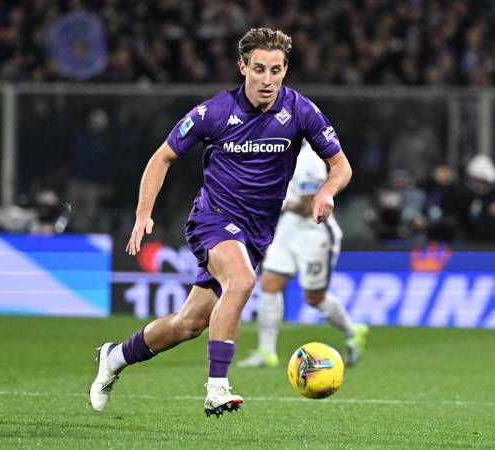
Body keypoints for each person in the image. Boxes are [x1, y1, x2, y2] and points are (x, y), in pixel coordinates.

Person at [89, 28, 353, 417]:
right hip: (212, 219)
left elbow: (341, 165)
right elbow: (162, 157)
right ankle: (217, 389)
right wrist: (144, 212)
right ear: (242, 66)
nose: (267, 79)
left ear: (285, 70)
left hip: (257, 232)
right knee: (242, 281)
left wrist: (327, 192)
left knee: (188, 324)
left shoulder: (300, 110)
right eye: (259, 69)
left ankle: (114, 357)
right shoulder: (214, 112)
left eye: (276, 70)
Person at [238, 141, 368, 369]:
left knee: (313, 298)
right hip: (289, 229)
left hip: (314, 233)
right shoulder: (279, 153)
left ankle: (352, 331)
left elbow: (309, 206)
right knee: (269, 284)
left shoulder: (310, 160)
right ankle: (266, 352)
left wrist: (274, 200)